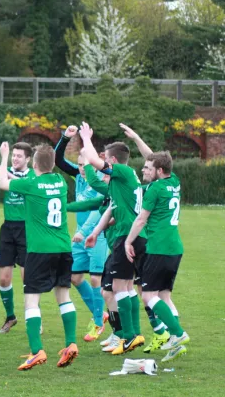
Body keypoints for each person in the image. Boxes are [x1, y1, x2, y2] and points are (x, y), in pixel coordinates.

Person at [0, 143, 78, 371]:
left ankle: (36, 351)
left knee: (31, 299)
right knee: (63, 296)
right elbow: (45, 167)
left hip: (40, 250)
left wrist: (4, 157)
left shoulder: (31, 183)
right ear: (52, 164)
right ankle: (71, 343)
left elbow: (3, 183)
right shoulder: (61, 182)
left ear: (33, 165)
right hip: (63, 248)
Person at [80, 122, 146, 355]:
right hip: (128, 237)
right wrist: (96, 233)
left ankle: (128, 336)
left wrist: (86, 138)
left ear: (114, 162)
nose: (104, 165)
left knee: (119, 288)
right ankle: (131, 334)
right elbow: (114, 211)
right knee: (124, 288)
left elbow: (94, 161)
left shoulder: (124, 172)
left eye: (107, 160)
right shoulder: (124, 180)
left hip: (127, 238)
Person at [125, 151, 189, 362]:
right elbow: (156, 158)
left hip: (159, 249)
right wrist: (135, 137)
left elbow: (141, 220)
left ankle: (179, 333)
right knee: (164, 296)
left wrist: (128, 241)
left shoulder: (155, 189)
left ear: (159, 171)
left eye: (148, 168)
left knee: (148, 295)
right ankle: (174, 340)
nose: (145, 170)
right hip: (175, 248)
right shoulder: (174, 181)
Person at [54, 126, 109, 342]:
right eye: (79, 165)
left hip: (97, 235)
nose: (82, 169)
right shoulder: (78, 176)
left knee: (96, 278)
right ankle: (101, 314)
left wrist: (86, 232)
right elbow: (58, 160)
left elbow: (97, 210)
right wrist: (65, 138)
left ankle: (97, 322)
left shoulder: (103, 180)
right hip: (78, 237)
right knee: (75, 278)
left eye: (85, 165)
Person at [0, 142, 33, 333]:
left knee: (28, 278)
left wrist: (3, 159)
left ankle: (34, 317)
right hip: (8, 228)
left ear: (28, 159)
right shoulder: (7, 168)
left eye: (19, 156)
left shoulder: (32, 176)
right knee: (3, 279)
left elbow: (8, 179)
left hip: (27, 229)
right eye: (14, 155)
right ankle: (10, 317)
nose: (15, 158)